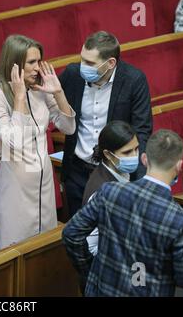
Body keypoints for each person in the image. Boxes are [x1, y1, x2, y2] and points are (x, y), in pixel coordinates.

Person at [62, 129, 183, 297]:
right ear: (179, 166)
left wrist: (92, 270)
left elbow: (70, 234)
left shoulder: (109, 191)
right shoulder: (181, 220)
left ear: (144, 159)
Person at [0, 35, 76, 251]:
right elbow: (15, 141)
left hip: (44, 182)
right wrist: (18, 98)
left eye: (39, 60)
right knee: (17, 254)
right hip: (16, 186)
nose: (38, 68)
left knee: (45, 252)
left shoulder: (40, 90)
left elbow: (68, 128)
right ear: (14, 64)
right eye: (32, 63)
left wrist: (58, 92)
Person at [58, 31, 152, 218]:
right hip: (77, 172)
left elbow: (142, 130)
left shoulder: (134, 80)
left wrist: (138, 179)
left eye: (90, 63)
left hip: (114, 172)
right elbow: (53, 107)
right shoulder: (72, 74)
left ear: (110, 63)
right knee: (81, 235)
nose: (83, 66)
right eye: (82, 59)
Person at [82, 121, 139, 257]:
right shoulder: (100, 191)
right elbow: (91, 247)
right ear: (108, 154)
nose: (134, 156)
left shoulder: (120, 171)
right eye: (127, 152)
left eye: (136, 149)